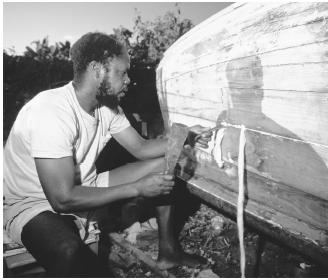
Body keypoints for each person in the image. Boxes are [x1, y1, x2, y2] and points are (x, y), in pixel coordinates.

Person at [3, 32, 211, 277]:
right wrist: (137, 188)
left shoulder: (108, 106)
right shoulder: (51, 111)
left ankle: (169, 251)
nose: (128, 79)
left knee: (164, 164)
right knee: (67, 250)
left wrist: (184, 134)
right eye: (122, 72)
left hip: (84, 182)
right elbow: (61, 199)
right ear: (96, 69)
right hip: (33, 201)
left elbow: (141, 148)